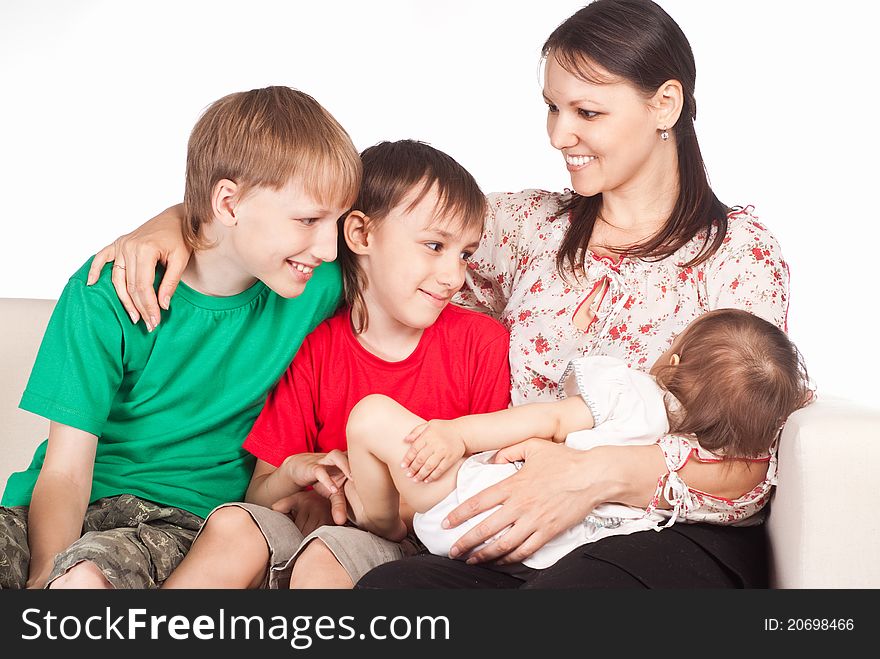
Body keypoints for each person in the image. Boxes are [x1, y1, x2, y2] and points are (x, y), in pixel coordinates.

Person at [88, 0, 796, 588]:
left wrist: (596, 474)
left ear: (664, 102)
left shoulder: (740, 253)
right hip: (513, 520)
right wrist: (183, 222)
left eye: (587, 112)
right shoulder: (526, 227)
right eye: (551, 108)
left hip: (660, 528)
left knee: (572, 598)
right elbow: (368, 210)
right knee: (390, 590)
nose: (559, 134)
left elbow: (751, 459)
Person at [0, 86, 361, 589]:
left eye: (338, 221)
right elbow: (64, 471)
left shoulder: (312, 282)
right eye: (308, 220)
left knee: (83, 579)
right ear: (228, 203)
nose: (328, 245)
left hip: (178, 522)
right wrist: (43, 572)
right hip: (52, 510)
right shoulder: (110, 290)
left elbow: (414, 243)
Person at [159, 139, 512, 590]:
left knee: (328, 554)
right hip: (306, 534)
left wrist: (357, 500)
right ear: (361, 235)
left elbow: (478, 486)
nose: (453, 276)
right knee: (235, 523)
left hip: (410, 547)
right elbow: (262, 493)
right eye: (434, 245)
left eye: (464, 254)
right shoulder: (316, 345)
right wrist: (296, 475)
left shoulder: (479, 343)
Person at [345, 308, 812, 573]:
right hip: (558, 551)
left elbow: (544, 420)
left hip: (472, 508)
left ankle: (385, 526)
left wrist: (456, 433)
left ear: (678, 357)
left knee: (371, 416)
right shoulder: (703, 456)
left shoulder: (630, 393)